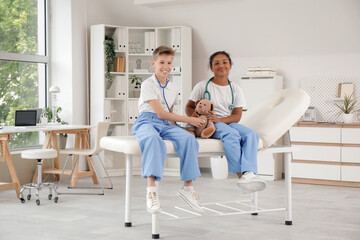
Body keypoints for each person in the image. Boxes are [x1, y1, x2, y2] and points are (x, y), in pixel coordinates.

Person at [132, 46, 205, 214]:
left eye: (169, 63)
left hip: (165, 123)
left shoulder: (173, 87)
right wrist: (189, 119)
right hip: (147, 121)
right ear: (154, 63)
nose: (166, 66)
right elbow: (159, 112)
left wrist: (183, 130)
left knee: (188, 140)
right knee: (153, 140)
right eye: (161, 62)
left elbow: (169, 114)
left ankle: (188, 188)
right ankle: (151, 191)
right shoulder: (147, 84)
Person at [185, 51, 266, 193]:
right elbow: (189, 106)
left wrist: (221, 119)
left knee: (252, 135)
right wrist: (196, 119)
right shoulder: (202, 86)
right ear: (211, 67)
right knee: (232, 135)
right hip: (211, 124)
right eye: (216, 63)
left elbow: (237, 115)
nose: (221, 65)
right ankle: (241, 176)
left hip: (227, 121)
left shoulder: (235, 89)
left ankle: (249, 173)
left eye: (224, 62)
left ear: (230, 66)